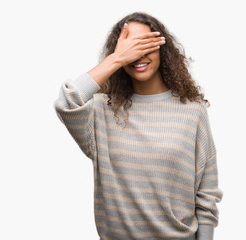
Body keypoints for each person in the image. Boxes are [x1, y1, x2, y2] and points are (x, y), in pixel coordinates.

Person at [53, 12, 223, 240]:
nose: (137, 54)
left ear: (162, 48)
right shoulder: (101, 111)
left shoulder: (192, 111)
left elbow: (206, 192)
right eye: (129, 47)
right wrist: (116, 59)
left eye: (145, 45)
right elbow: (67, 102)